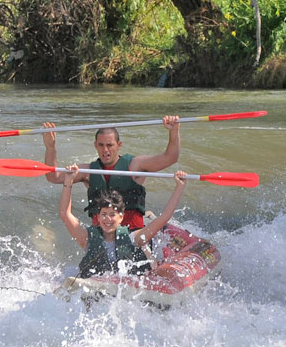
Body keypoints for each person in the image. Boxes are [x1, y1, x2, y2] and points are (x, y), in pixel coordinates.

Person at [42, 116, 180, 230]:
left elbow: (170, 158)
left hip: (134, 236)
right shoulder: (88, 171)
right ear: (95, 145)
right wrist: (50, 147)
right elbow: (53, 177)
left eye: (109, 145)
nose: (105, 150)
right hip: (101, 237)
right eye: (101, 145)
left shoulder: (135, 165)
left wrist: (174, 132)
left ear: (119, 145)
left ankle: (149, 218)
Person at [58, 165, 188, 278]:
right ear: (97, 217)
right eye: (103, 214)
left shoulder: (134, 238)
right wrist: (68, 181)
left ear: (121, 217)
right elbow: (65, 214)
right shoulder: (87, 238)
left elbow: (164, 217)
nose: (107, 219)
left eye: (112, 215)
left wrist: (179, 187)